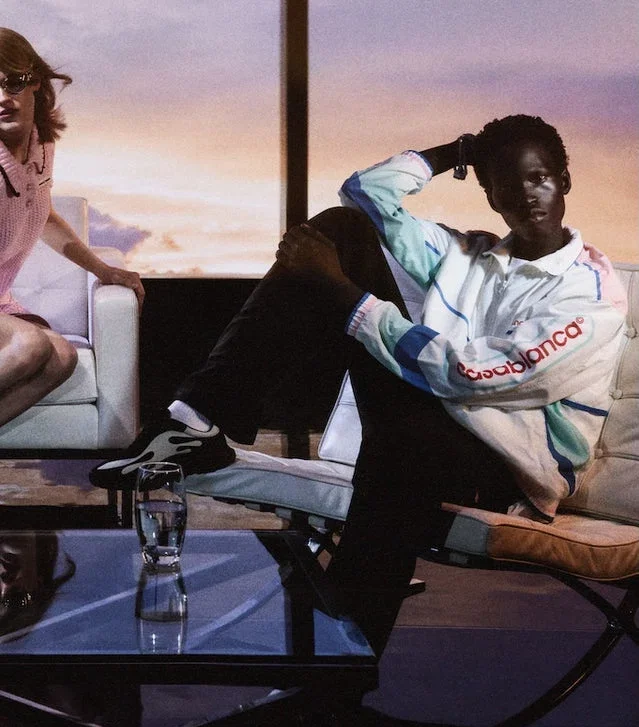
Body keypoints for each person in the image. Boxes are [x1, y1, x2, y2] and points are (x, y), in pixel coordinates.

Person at [91, 114, 626, 617]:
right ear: (490, 196)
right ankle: (195, 420)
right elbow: (365, 193)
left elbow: (471, 375)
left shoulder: (589, 293)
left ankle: (337, 665)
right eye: (507, 185)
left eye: (539, 178)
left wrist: (342, 294)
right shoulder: (470, 257)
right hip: (436, 429)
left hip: (505, 469)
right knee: (340, 230)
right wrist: (453, 153)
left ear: (564, 181)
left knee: (401, 453)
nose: (527, 195)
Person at [0, 28, 144, 429]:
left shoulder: (40, 146)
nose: (2, 97)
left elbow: (41, 214)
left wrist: (104, 270)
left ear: (36, 83)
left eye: (13, 82)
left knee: (61, 358)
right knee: (29, 343)